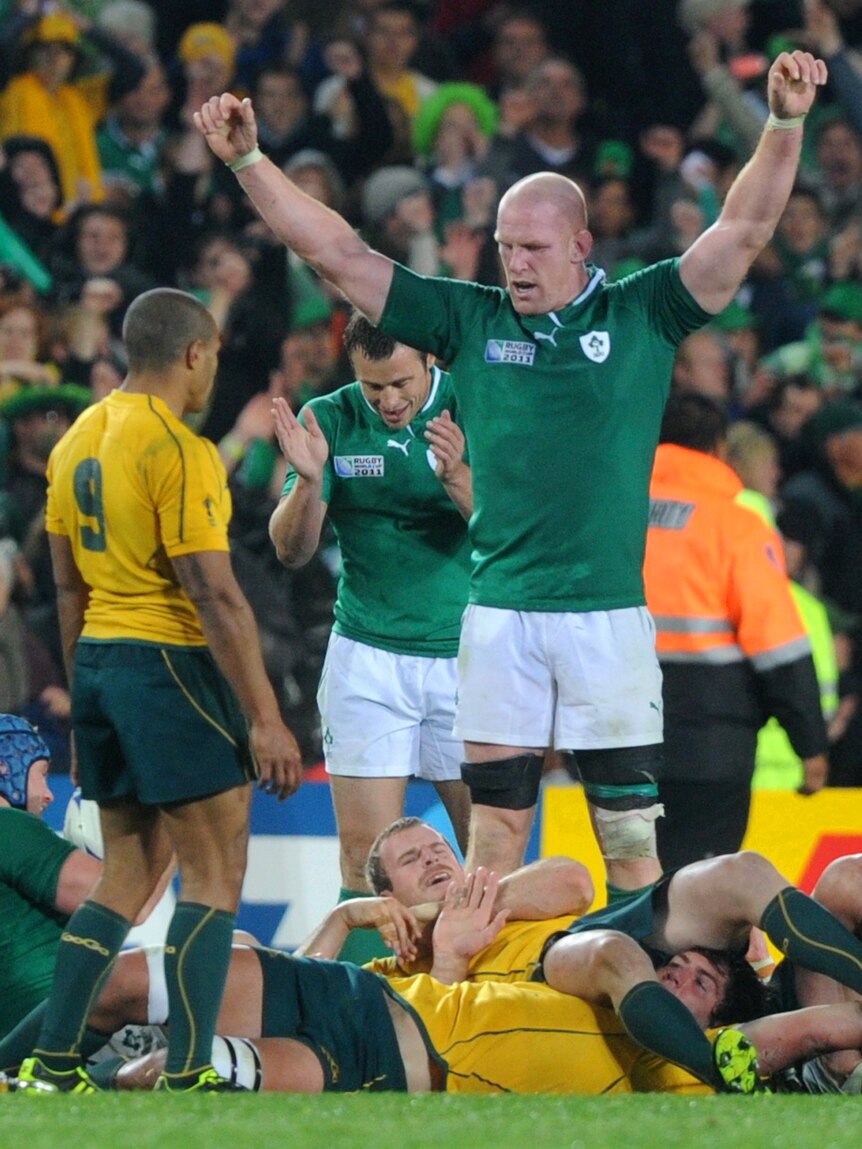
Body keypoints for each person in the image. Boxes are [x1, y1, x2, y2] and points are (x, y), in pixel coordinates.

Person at [194, 49, 830, 892]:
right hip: (495, 619)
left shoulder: (643, 311)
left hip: (607, 619)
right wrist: (247, 162)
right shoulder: (468, 319)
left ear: (581, 245)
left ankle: (639, 1004)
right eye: (503, 248)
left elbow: (744, 230)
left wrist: (784, 123)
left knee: (632, 846)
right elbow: (341, 255)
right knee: (493, 844)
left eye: (532, 247)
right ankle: (483, 1009)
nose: (516, 265)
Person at [16, 287, 302, 1096]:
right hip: (167, 659)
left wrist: (88, 689)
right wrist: (266, 717)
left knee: (126, 876)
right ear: (194, 353)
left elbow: (67, 588)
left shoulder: (74, 440)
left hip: (101, 662)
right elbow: (214, 593)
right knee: (213, 872)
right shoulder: (180, 449)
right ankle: (188, 1069)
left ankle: (54, 1061)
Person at [269, 313, 473, 963]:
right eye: (372, 385)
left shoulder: (477, 406)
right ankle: (361, 1022)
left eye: (401, 383)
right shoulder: (329, 418)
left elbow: (516, 539)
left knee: (490, 849)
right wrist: (307, 482)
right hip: (368, 658)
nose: (388, 400)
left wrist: (459, 478)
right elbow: (291, 549)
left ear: (432, 362)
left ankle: (489, 1008)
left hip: (467, 660)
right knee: (364, 859)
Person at [644, 392, 829, 869]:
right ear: (718, 448)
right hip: (709, 746)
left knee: (633, 884)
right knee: (700, 892)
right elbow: (778, 646)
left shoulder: (609, 518)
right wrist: (810, 745)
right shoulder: (735, 526)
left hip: (616, 742)